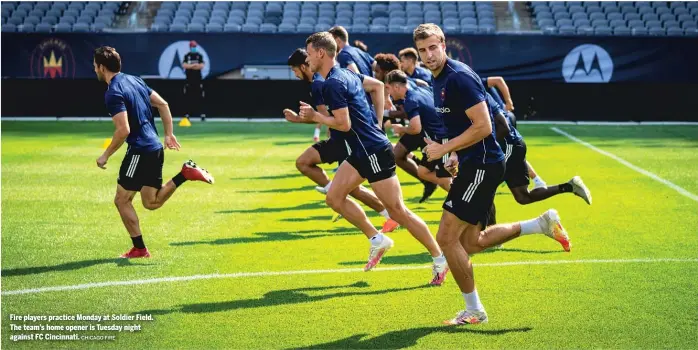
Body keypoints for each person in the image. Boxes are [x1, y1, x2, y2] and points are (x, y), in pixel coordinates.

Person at [414, 24, 573, 325]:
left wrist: (445, 148)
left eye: (433, 47)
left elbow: (484, 126)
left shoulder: (459, 77)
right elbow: (459, 127)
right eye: (423, 50)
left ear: (444, 45)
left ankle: (474, 311)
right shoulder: (437, 80)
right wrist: (451, 155)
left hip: (483, 165)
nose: (428, 55)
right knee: (471, 242)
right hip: (473, 164)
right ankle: (540, 224)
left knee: (446, 238)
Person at [295, 32, 448, 285]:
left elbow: (343, 124)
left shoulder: (333, 83)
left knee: (399, 212)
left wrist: (315, 117)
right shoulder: (345, 74)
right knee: (333, 197)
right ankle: (378, 240)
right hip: (361, 150)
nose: (307, 58)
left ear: (321, 53)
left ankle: (440, 259)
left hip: (373, 152)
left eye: (309, 53)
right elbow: (377, 88)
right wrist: (376, 124)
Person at [93, 46, 214, 259]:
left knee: (122, 200)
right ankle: (185, 174)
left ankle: (139, 249)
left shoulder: (113, 92)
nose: (94, 69)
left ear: (102, 67)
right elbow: (163, 104)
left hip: (139, 150)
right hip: (155, 148)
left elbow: (123, 130)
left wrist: (105, 155)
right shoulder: (136, 81)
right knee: (151, 202)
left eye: (95, 66)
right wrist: (168, 134)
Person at [284, 48, 399, 233]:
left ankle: (384, 217)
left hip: (347, 139)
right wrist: (377, 123)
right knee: (352, 189)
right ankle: (387, 216)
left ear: (306, 64)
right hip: (350, 137)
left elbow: (325, 117)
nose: (295, 74)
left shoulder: (322, 83)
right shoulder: (336, 76)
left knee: (304, 163)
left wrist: (300, 119)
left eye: (295, 69)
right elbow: (377, 86)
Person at [488, 92, 592, 206]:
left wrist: (508, 101)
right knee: (523, 197)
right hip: (512, 144)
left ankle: (485, 224)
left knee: (482, 189)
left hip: (506, 143)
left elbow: (497, 80)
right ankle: (569, 186)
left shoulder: (472, 90)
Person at [372, 53, 438, 202]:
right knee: (397, 155)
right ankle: (428, 180)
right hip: (423, 126)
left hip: (428, 130)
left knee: (442, 172)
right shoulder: (407, 83)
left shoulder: (404, 90)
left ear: (386, 72)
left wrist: (387, 114)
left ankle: (461, 196)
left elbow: (407, 113)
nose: (375, 75)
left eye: (377, 71)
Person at [385, 69, 452, 197]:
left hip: (443, 139)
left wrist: (401, 129)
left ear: (397, 86)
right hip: (436, 139)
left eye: (388, 88)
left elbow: (416, 128)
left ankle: (464, 198)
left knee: (444, 178)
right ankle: (458, 193)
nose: (388, 93)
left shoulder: (411, 100)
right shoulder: (419, 88)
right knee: (423, 172)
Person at [480, 74, 547, 189]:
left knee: (503, 153)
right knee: (512, 154)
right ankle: (536, 180)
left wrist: (508, 101)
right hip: (501, 119)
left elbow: (498, 80)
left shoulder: (472, 81)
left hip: (502, 120)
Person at [182, 40, 205, 121]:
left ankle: (202, 114)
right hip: (189, 80)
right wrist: (193, 65)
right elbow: (184, 65)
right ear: (190, 47)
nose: (193, 48)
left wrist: (191, 66)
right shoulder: (187, 56)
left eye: (195, 46)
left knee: (200, 97)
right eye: (192, 47)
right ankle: (187, 114)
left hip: (198, 80)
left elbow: (201, 66)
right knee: (188, 97)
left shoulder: (199, 56)